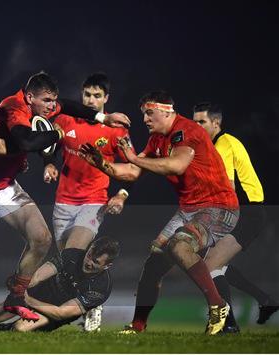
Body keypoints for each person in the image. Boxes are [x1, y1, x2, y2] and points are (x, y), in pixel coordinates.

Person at [0, 72, 131, 332]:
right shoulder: (13, 107)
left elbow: (68, 104)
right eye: (47, 101)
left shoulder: (43, 103)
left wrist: (102, 117)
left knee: (42, 237)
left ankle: (17, 295)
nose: (52, 107)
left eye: (53, 101)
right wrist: (56, 135)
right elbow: (26, 140)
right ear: (30, 97)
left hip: (6, 187)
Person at [79, 91, 239, 335]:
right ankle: (137, 326)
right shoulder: (156, 139)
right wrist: (101, 163)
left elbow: (176, 165)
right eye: (143, 113)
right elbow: (132, 172)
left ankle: (218, 306)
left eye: (149, 113)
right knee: (153, 264)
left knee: (179, 245)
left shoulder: (187, 131)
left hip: (219, 206)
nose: (144, 119)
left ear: (167, 111)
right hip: (190, 209)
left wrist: (132, 156)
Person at [42, 72, 132, 331]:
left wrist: (121, 195)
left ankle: (91, 304)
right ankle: (85, 302)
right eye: (87, 94)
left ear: (106, 98)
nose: (91, 100)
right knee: (67, 266)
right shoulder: (66, 119)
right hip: (63, 202)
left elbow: (132, 168)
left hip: (94, 201)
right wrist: (48, 163)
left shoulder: (116, 130)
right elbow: (50, 148)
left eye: (97, 96)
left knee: (75, 254)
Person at [193, 102, 278, 331]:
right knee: (213, 264)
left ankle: (228, 324)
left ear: (216, 123)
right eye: (195, 122)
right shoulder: (220, 143)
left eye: (202, 121)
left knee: (209, 265)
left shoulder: (223, 145)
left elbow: (227, 187)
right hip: (242, 211)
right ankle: (264, 301)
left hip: (245, 212)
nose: (197, 127)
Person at [0, 237, 119, 332]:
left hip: (54, 311)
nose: (88, 262)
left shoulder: (101, 287)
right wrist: (20, 285)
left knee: (21, 328)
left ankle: (2, 331)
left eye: (95, 262)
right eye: (89, 255)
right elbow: (39, 276)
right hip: (39, 294)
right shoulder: (72, 255)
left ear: (107, 265)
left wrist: (26, 299)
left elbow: (61, 312)